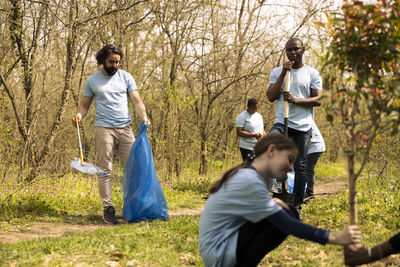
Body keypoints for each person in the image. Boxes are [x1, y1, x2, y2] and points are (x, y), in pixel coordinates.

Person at [199, 133, 361, 267]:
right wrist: (334, 237)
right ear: (272, 150)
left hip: (222, 245)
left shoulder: (257, 176)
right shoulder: (249, 179)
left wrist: (275, 203)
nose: (291, 168)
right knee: (286, 218)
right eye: (289, 159)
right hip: (218, 252)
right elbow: (287, 224)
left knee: (288, 212)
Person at [72, 44, 150, 224]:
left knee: (132, 168)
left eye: (117, 62)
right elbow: (85, 105)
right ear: (102, 61)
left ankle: (133, 207)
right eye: (111, 62)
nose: (115, 65)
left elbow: (137, 101)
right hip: (104, 129)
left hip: (125, 128)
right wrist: (79, 115)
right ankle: (108, 208)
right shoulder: (92, 81)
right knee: (105, 169)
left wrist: (144, 117)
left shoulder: (126, 77)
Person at [266, 37, 323, 211]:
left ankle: (297, 205)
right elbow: (270, 97)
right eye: (289, 49)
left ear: (303, 50)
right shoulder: (277, 72)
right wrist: (283, 73)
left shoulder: (312, 73)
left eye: (296, 49)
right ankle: (277, 188)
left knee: (300, 166)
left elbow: (318, 99)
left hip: (303, 126)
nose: (292, 52)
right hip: (282, 123)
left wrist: (295, 100)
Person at [304, 121, 325, 202]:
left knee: (308, 168)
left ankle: (309, 192)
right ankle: (306, 190)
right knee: (305, 168)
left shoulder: (303, 121)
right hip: (311, 147)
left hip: (315, 146)